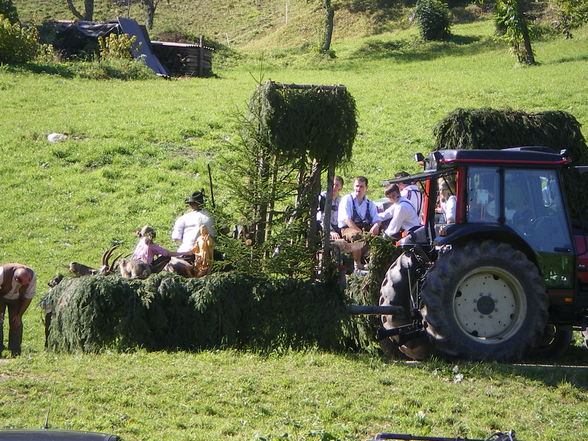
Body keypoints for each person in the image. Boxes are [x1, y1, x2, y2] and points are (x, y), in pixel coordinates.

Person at [338, 176, 380, 272]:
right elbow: (347, 219)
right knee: (356, 235)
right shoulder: (347, 199)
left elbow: (377, 219)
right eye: (357, 186)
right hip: (348, 229)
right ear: (353, 186)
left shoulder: (370, 203)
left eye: (361, 186)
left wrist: (376, 226)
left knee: (380, 234)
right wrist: (360, 232)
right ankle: (357, 265)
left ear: (366, 188)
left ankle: (373, 263)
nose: (358, 189)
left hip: (364, 229)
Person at [0, 264, 36, 357]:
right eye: (24, 284)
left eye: (27, 282)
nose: (27, 284)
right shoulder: (2, 273)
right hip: (1, 296)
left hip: (17, 299)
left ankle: (15, 351)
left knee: (16, 322)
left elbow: (28, 297)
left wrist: (19, 315)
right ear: (16, 280)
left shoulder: (31, 276)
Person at [171, 191, 215, 255]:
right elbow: (225, 230)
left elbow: (176, 238)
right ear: (203, 204)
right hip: (210, 251)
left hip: (187, 251)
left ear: (191, 205)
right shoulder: (213, 216)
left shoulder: (183, 218)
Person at [317, 175, 344, 240]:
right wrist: (330, 231)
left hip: (336, 228)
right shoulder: (322, 197)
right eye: (333, 184)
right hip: (323, 227)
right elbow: (321, 217)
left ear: (341, 187)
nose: (334, 187)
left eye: (337, 185)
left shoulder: (340, 201)